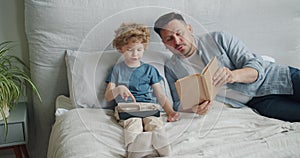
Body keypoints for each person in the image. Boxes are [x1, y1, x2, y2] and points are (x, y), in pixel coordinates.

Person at [153, 12, 300, 122]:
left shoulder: (219, 38)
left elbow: (255, 66)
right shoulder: (171, 67)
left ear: (190, 29)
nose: (177, 41)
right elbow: (179, 103)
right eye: (169, 39)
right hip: (259, 103)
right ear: (165, 44)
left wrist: (233, 75)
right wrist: (193, 109)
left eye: (180, 33)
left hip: (278, 77)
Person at [105, 22, 179, 157]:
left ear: (144, 48)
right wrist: (118, 89)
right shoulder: (117, 70)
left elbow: (160, 95)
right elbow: (108, 96)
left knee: (154, 123)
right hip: (127, 108)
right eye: (129, 49)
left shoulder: (150, 70)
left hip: (148, 107)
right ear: (121, 48)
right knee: (134, 124)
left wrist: (170, 111)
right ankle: (134, 147)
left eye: (139, 50)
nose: (135, 54)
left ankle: (162, 146)